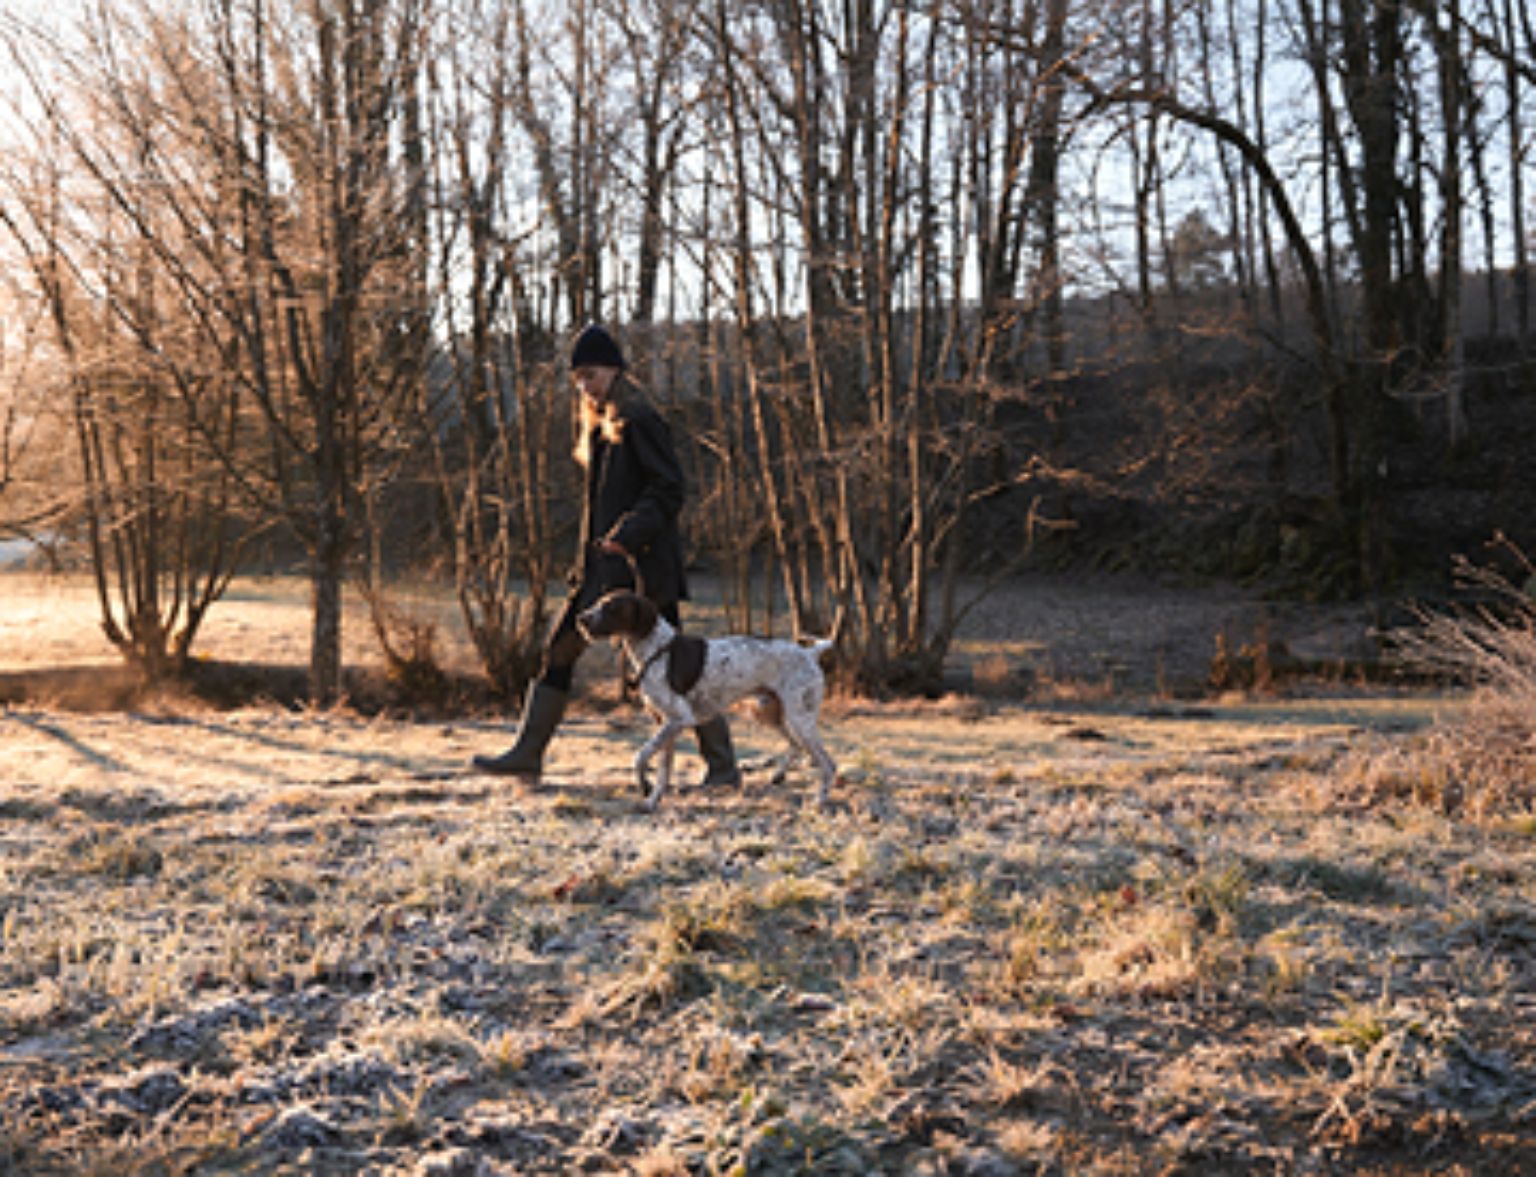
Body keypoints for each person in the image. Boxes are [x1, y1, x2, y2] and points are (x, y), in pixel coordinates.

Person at [472, 323, 740, 787]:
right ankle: (527, 754)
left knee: (680, 672)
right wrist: (588, 563)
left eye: (590, 375)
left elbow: (669, 487)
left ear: (615, 370)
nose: (584, 386)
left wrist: (629, 533)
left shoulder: (640, 419)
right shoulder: (602, 427)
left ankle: (723, 766)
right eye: (577, 378)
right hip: (601, 571)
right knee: (558, 651)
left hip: (641, 572)